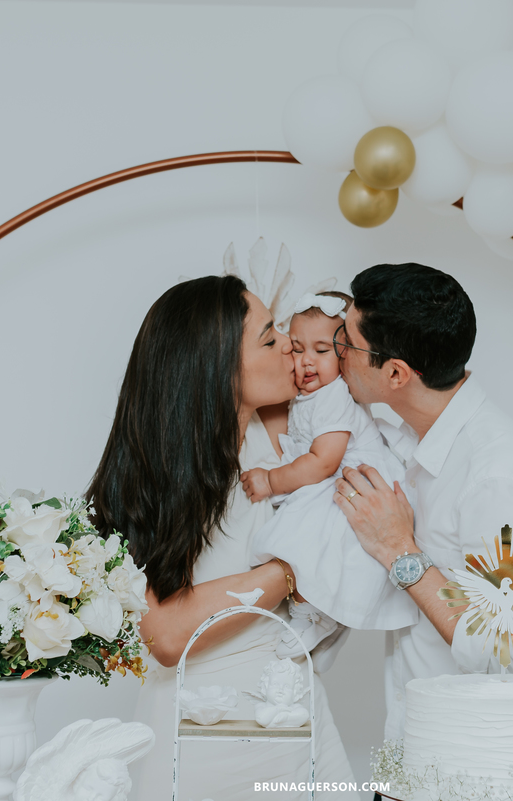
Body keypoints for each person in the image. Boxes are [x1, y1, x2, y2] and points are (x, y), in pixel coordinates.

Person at [86, 275, 357, 800]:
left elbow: (331, 348)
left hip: (297, 718)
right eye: (270, 339)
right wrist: (289, 573)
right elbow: (166, 633)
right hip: (206, 733)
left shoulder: (284, 431)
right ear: (215, 368)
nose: (289, 349)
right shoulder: (161, 476)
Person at [330, 263, 513, 747]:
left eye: (347, 342)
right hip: (423, 749)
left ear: (397, 373)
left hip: (485, 760)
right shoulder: (406, 438)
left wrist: (399, 552)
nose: (337, 352)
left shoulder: (494, 477)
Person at [241, 291, 417, 659]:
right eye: (298, 347)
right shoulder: (310, 395)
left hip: (351, 483)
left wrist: (271, 482)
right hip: (330, 481)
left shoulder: (334, 396)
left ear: (345, 355)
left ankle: (316, 615)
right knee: (308, 547)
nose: (306, 361)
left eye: (321, 351)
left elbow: (323, 461)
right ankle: (321, 614)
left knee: (309, 543)